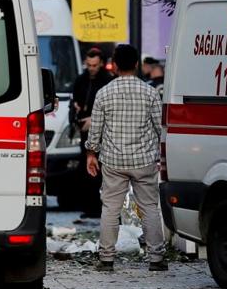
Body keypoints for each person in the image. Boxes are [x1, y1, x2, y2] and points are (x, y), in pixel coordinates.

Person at [85, 44, 166, 272]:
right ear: (137, 65)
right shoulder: (150, 93)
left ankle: (107, 259)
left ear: (115, 65)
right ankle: (157, 259)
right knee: (150, 207)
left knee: (110, 209)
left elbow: (96, 131)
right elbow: (160, 129)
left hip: (113, 162)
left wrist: (91, 153)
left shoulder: (104, 93)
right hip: (144, 161)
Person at [71, 47, 114, 218]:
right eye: (89, 65)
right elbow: (76, 101)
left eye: (95, 65)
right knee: (86, 168)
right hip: (84, 130)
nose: (91, 68)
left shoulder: (107, 81)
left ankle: (101, 206)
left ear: (101, 64)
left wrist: (93, 120)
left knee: (103, 169)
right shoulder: (81, 80)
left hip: (103, 133)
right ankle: (90, 206)